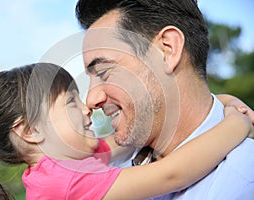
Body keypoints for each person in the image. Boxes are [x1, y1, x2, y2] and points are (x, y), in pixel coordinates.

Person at [0, 63, 252, 200]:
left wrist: (217, 101)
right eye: (70, 101)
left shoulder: (70, 160)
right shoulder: (64, 182)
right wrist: (235, 124)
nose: (87, 108)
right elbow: (171, 174)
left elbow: (131, 137)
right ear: (31, 130)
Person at [75, 0, 254, 199]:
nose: (91, 100)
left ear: (167, 50)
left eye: (103, 71)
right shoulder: (103, 171)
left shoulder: (242, 181)